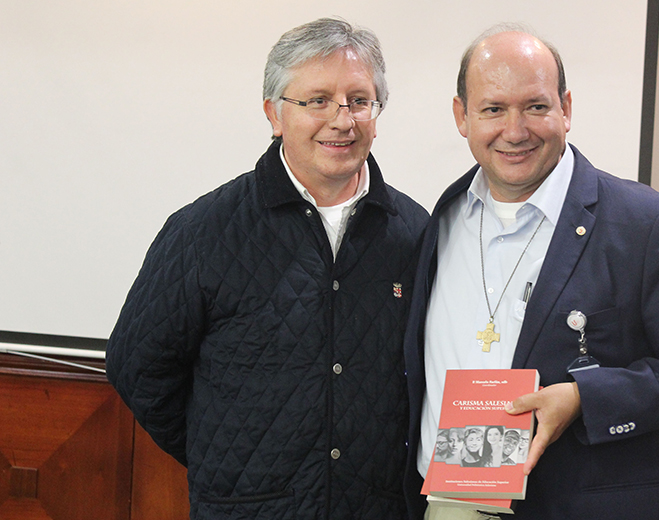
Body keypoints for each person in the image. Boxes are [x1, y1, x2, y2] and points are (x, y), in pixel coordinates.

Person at [403, 24, 659, 519]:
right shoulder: (441, 219)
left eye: (536, 106)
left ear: (566, 108)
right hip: (448, 504)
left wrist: (585, 398)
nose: (515, 129)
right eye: (493, 109)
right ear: (462, 116)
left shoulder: (645, 224)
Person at [105, 17, 427, 520]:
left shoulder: (414, 232)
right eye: (317, 100)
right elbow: (137, 366)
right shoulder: (202, 230)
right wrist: (223, 457)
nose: (342, 120)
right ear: (274, 114)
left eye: (359, 100)